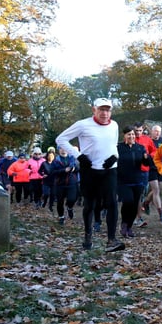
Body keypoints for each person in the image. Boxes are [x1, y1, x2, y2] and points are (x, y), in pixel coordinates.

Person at [56, 97, 125, 252]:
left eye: (107, 110)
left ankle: (111, 240)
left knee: (112, 203)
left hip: (109, 169)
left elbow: (113, 144)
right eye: (101, 109)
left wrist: (115, 156)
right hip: (90, 169)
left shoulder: (114, 125)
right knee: (90, 204)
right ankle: (88, 237)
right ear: (94, 110)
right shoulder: (83, 124)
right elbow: (61, 139)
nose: (104, 113)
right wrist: (78, 155)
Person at [116, 126, 151, 238]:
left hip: (137, 180)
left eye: (132, 134)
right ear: (124, 136)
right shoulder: (118, 147)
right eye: (128, 134)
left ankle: (129, 227)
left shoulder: (140, 148)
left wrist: (146, 159)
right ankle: (124, 224)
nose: (131, 136)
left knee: (135, 204)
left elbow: (146, 164)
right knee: (128, 201)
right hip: (123, 181)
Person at [133, 121, 157, 228]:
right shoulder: (130, 138)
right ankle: (137, 217)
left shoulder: (147, 139)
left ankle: (138, 217)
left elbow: (154, 151)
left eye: (139, 130)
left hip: (145, 170)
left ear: (142, 130)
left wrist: (148, 156)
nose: (138, 133)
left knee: (141, 195)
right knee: (136, 195)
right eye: (136, 131)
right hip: (132, 171)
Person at [51, 147, 79, 226]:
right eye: (61, 148)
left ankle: (70, 208)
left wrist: (75, 168)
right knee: (60, 202)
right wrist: (63, 170)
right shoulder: (56, 160)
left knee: (72, 199)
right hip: (60, 184)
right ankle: (61, 217)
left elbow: (79, 168)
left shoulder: (72, 158)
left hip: (71, 183)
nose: (63, 150)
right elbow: (52, 172)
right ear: (58, 150)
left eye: (64, 148)